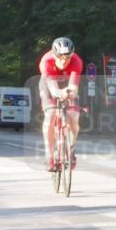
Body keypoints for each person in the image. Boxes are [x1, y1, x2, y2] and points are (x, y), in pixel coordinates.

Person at [39, 37, 83, 171]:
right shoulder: (46, 61)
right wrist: (59, 93)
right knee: (51, 113)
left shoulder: (76, 61)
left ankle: (71, 149)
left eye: (67, 57)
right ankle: (50, 157)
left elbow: (73, 86)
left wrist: (70, 93)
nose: (64, 61)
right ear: (54, 55)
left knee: (74, 115)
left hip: (67, 83)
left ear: (72, 55)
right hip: (49, 84)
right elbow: (52, 88)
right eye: (60, 57)